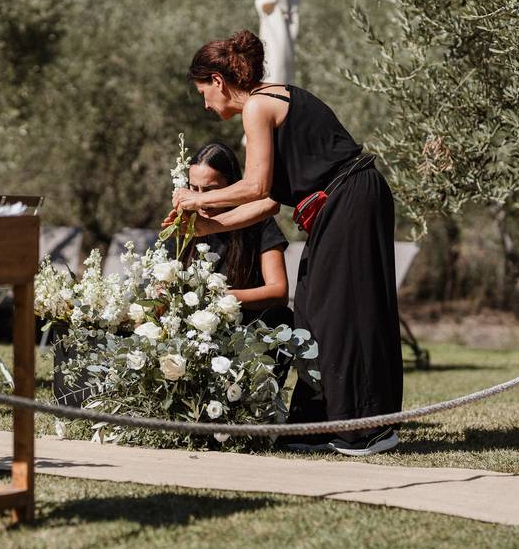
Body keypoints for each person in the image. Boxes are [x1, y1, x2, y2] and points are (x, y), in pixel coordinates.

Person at [167, 29, 402, 456]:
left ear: (218, 82)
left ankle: (368, 428)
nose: (205, 103)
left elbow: (253, 186)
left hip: (350, 197)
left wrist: (193, 198)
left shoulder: (258, 105)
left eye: (204, 92)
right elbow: (268, 203)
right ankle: (316, 426)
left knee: (340, 312)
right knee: (311, 308)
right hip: (342, 202)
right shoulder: (267, 104)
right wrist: (204, 227)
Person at [177, 141, 293, 329]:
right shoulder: (184, 224)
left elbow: (279, 292)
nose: (200, 199)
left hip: (248, 331)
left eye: (210, 190)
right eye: (194, 188)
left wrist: (222, 297)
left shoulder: (259, 222)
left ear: (232, 186)